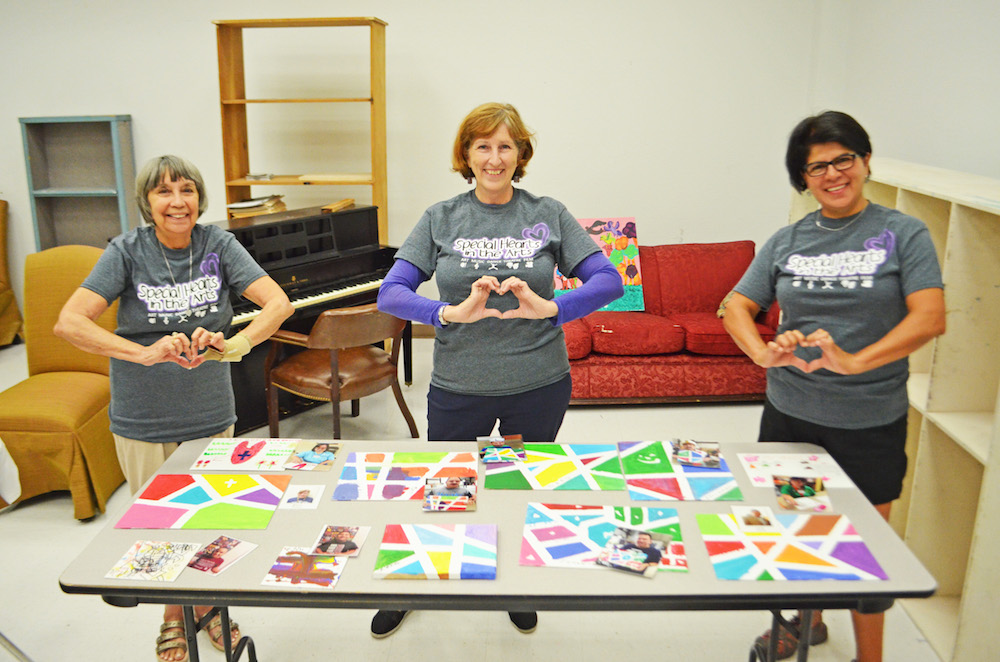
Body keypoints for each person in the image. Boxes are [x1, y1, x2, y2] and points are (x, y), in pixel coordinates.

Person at [375, 102, 623, 638]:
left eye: (505, 146)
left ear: (521, 154)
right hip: (459, 385)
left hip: (536, 384)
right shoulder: (440, 217)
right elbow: (390, 294)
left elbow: (609, 280)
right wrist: (447, 312)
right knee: (445, 487)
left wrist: (553, 307)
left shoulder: (548, 212)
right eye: (483, 146)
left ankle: (514, 582)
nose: (494, 157)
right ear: (466, 154)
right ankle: (413, 582)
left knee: (517, 486)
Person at [722, 111, 946, 662]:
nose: (832, 173)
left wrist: (855, 362)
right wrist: (763, 353)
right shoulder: (788, 240)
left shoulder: (903, 233)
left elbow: (930, 317)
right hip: (793, 419)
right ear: (804, 179)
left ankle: (870, 656)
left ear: (865, 161)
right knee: (799, 528)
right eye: (815, 166)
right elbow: (735, 306)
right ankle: (806, 623)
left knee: (867, 547)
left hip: (868, 420)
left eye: (842, 159)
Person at [55, 155, 294, 662]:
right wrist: (142, 352)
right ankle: (174, 617)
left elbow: (278, 304)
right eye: (164, 192)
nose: (177, 202)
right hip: (146, 414)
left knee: (212, 517)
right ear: (148, 202)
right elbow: (70, 323)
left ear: (198, 199)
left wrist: (234, 344)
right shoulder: (125, 251)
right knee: (159, 525)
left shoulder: (218, 244)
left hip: (211, 410)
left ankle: (210, 607)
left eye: (186, 190)